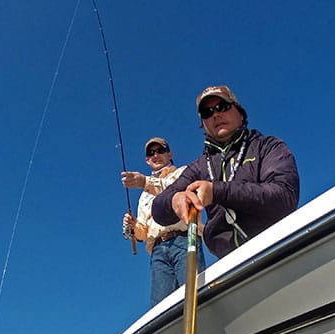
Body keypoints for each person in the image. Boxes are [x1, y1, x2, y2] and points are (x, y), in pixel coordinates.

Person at [151, 85, 300, 259]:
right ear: (203, 124)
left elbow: (285, 196)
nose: (215, 114)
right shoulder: (198, 168)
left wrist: (216, 191)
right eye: (207, 112)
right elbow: (158, 209)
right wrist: (174, 200)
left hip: (277, 249)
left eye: (222, 107)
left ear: (240, 112)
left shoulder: (267, 146)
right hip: (231, 265)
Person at [122, 137, 205, 306]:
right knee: (160, 308)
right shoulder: (143, 195)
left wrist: (145, 181)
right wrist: (132, 227)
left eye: (160, 151)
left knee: (196, 297)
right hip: (158, 251)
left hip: (185, 240)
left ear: (170, 154)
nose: (156, 155)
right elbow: (143, 233)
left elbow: (174, 189)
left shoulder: (183, 172)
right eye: (151, 153)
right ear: (147, 160)